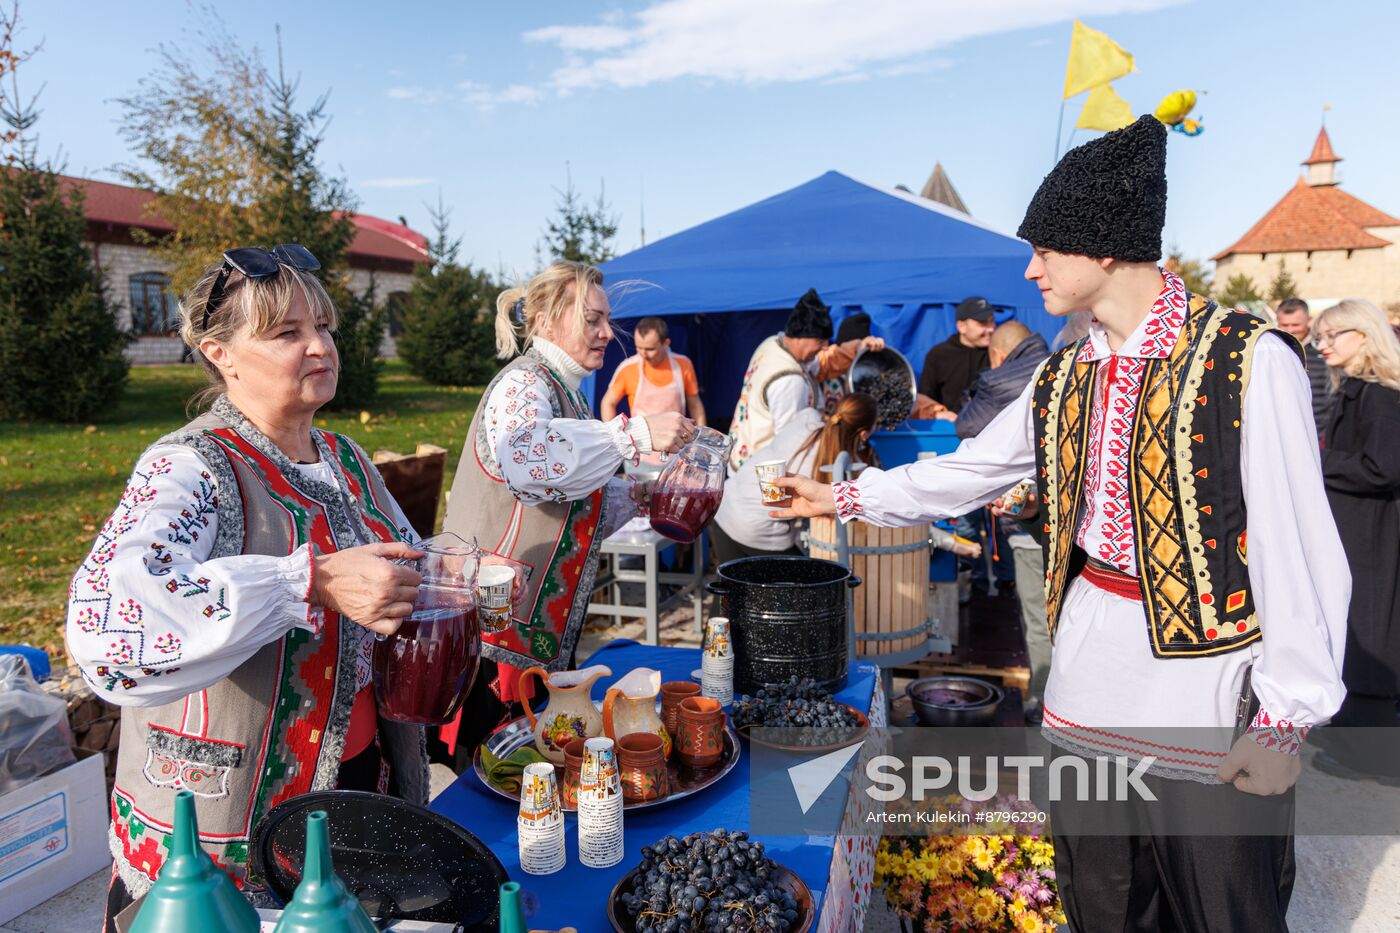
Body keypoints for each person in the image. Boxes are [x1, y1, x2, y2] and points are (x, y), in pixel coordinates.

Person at [773, 115, 1349, 931]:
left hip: (1204, 695)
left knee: (1225, 909)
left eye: (1045, 248)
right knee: (1102, 904)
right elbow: (972, 469)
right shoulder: (1065, 374)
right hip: (1088, 685)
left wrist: (1287, 718)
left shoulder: (1246, 361)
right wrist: (843, 498)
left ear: (1105, 248)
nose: (1029, 267)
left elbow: (1302, 550)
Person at [66, 246, 432, 928]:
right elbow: (107, 625)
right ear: (220, 353)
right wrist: (309, 579)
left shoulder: (347, 460)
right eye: (287, 332)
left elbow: (413, 562)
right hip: (223, 825)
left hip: (354, 789)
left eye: (323, 327)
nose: (319, 345)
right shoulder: (189, 466)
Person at [441, 261, 693, 756]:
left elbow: (571, 497)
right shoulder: (522, 385)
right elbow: (529, 461)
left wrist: (638, 498)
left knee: (533, 767)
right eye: (592, 320)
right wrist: (635, 431)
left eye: (607, 320)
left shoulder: (567, 395)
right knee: (496, 770)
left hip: (529, 634)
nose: (606, 333)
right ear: (544, 319)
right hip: (496, 638)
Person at [1309, 298, 1400, 784]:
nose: (1321, 346)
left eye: (1330, 336)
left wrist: (1317, 463)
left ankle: (1378, 757)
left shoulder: (1380, 395)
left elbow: (1384, 467)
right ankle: (1351, 733)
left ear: (1362, 336)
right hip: (1352, 529)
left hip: (1370, 533)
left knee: (1369, 629)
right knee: (1348, 627)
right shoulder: (1356, 391)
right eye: (1318, 337)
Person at [957, 320, 1052, 713]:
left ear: (998, 355)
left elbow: (967, 425)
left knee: (1037, 615)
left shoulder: (999, 381)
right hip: (1076, 521)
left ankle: (1043, 699)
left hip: (1029, 521)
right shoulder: (1057, 363)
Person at [712, 394, 880, 564]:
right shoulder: (842, 468)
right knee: (808, 588)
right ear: (864, 434)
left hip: (725, 505)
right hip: (758, 528)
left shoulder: (807, 417)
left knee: (735, 587)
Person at [727, 288, 834, 470]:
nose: (825, 347)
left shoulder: (771, 344)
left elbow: (815, 366)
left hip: (741, 456)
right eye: (820, 341)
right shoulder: (790, 381)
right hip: (760, 474)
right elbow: (789, 441)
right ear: (801, 337)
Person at [600, 316, 707, 427]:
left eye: (650, 349)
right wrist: (614, 435)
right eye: (639, 347)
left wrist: (701, 440)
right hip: (641, 441)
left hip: (678, 439)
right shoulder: (627, 367)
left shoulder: (683, 364)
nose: (643, 354)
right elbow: (608, 403)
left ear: (666, 343)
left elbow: (695, 405)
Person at [917, 296, 996, 411]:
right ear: (961, 327)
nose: (991, 329)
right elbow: (926, 399)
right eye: (983, 323)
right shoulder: (939, 355)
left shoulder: (997, 352)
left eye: (992, 321)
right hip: (949, 427)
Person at [1275, 297, 1332, 435]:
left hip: (1319, 428)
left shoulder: (1324, 349)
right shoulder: (1272, 349)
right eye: (1284, 325)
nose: (1290, 330)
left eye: (1295, 325)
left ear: (1309, 320)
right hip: (1284, 428)